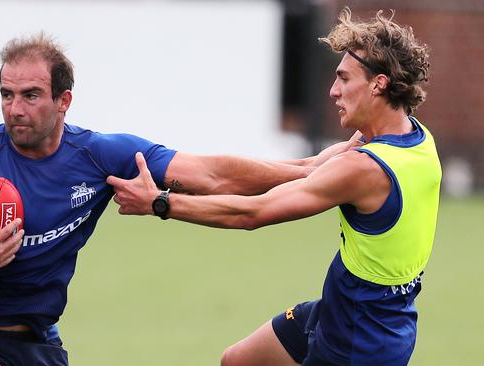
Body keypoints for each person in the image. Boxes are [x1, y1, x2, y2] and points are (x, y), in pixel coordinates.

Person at [0, 33, 358, 366]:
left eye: (31, 95)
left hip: (38, 342)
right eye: (7, 94)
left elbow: (210, 174)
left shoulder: (99, 156)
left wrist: (307, 168)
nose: (15, 108)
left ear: (64, 100)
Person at [108, 8, 440, 366]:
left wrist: (160, 204)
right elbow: (307, 170)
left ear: (378, 84)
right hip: (345, 310)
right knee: (239, 360)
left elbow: (255, 212)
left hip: (360, 343)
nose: (333, 90)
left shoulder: (365, 169)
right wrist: (196, 182)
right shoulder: (410, 136)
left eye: (344, 78)